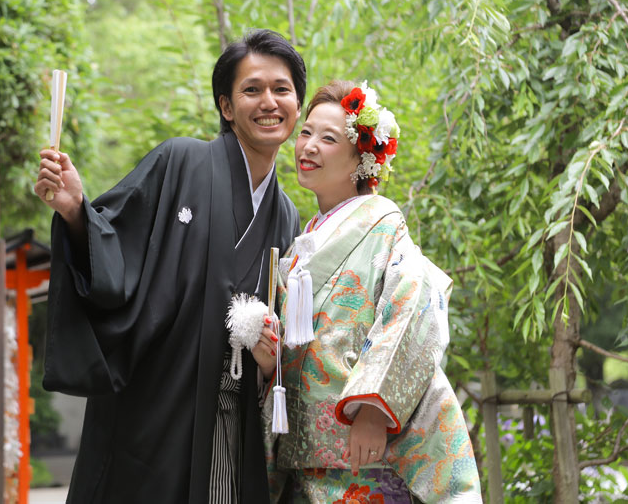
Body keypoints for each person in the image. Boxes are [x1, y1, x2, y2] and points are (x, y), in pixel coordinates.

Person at [33, 29, 305, 504]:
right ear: (226, 106)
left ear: (296, 105)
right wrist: (76, 209)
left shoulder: (286, 216)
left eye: (281, 89)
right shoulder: (181, 162)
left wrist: (268, 359)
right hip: (154, 409)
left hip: (230, 419)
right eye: (252, 89)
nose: (269, 102)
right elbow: (115, 252)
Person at [250, 81, 482, 503]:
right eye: (306, 132)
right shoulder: (301, 242)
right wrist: (270, 362)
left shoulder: (385, 226)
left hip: (366, 452)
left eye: (328, 138)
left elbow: (416, 308)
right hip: (306, 459)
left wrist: (374, 408)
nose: (309, 146)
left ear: (362, 158)